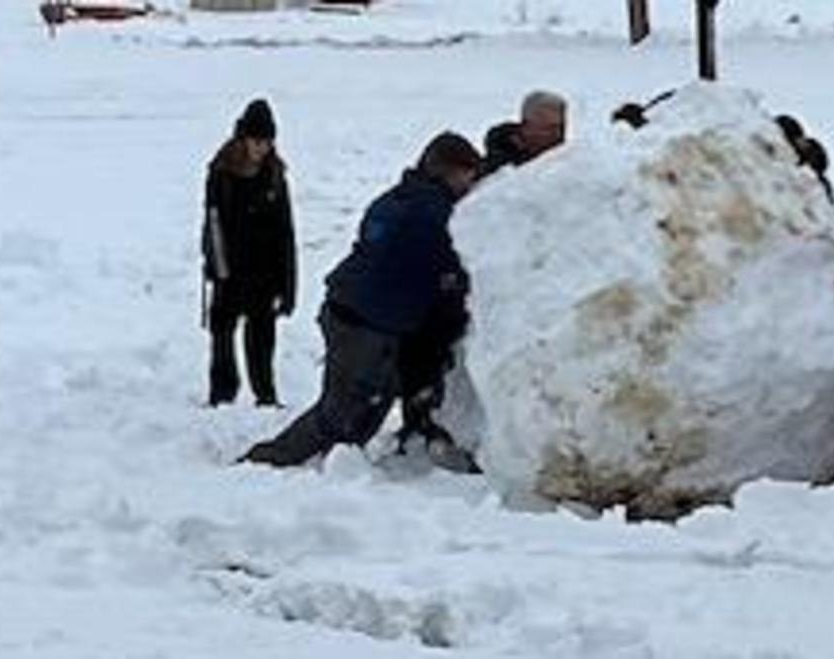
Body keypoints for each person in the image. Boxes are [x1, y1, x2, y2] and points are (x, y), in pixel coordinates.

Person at [239, 133, 483, 468]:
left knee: (373, 401)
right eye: (467, 176)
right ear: (449, 172)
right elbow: (444, 268)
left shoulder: (404, 197)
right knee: (341, 411)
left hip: (353, 310)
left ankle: (338, 463)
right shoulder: (432, 213)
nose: (470, 185)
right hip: (363, 323)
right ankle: (269, 461)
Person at [202, 98, 296, 408]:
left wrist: (288, 284)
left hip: (265, 272)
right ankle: (222, 395)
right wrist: (218, 268)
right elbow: (213, 223)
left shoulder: (275, 175)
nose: (262, 148)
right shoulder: (221, 171)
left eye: (268, 142)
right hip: (229, 269)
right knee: (222, 334)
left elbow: (286, 232)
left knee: (262, 337)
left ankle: (265, 395)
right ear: (243, 139)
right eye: (257, 141)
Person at [479, 90, 567, 178]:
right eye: (546, 128)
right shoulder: (494, 170)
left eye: (559, 127)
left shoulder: (566, 162)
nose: (555, 134)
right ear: (526, 125)